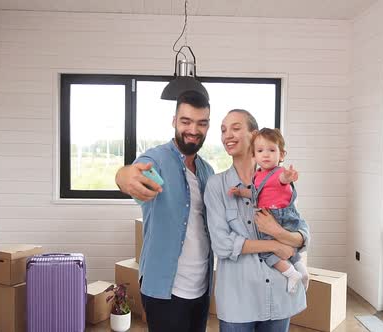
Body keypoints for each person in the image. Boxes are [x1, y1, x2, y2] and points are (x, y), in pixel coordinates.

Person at [114, 90, 214, 332]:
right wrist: (125, 177)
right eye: (186, 121)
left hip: (201, 287)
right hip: (165, 289)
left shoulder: (207, 171)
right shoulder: (156, 160)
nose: (193, 129)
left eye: (201, 123)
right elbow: (129, 173)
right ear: (174, 121)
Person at [204, 109, 310, 331]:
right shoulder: (217, 186)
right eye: (223, 130)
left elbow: (301, 233)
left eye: (235, 128)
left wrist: (280, 234)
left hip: (280, 295)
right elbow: (222, 245)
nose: (227, 135)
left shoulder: (279, 181)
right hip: (237, 301)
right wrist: (276, 245)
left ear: (253, 135)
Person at [228, 127, 309, 293]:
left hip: (279, 216)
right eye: (260, 150)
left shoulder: (278, 173)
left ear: (282, 155)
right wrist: (241, 192)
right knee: (288, 248)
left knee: (267, 253)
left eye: (271, 150)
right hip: (275, 216)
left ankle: (291, 273)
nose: (265, 154)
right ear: (254, 155)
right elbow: (255, 193)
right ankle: (301, 270)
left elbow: (283, 179)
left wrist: (289, 177)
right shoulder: (258, 176)